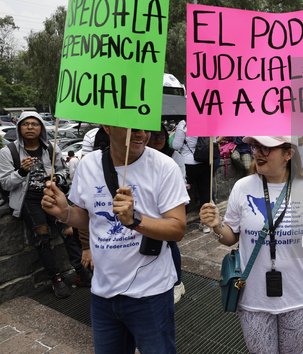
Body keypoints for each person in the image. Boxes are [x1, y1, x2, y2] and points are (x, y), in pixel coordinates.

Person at [41, 125, 190, 354]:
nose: (143, 134)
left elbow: (177, 228)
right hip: (103, 292)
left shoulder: (164, 166)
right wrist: (65, 213)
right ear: (108, 127)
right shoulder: (88, 164)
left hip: (150, 293)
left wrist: (134, 219)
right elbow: (88, 217)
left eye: (147, 128)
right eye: (134, 129)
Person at [200, 135, 303, 354]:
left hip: (300, 296)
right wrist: (217, 226)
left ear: (288, 154)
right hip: (254, 297)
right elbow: (230, 237)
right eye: (255, 146)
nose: (257, 153)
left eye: (266, 148)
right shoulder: (242, 187)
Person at [0, 112, 91, 299]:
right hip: (29, 200)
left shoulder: (51, 147)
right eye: (26, 124)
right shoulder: (8, 152)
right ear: (19, 128)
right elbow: (5, 183)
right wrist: (21, 171)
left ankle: (80, 271)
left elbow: (62, 171)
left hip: (51, 195)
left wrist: (56, 178)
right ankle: (56, 278)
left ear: (41, 127)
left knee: (68, 231)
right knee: (42, 237)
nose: (30, 127)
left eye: (35, 123)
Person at [147, 123, 187, 303]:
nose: (157, 139)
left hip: (170, 206)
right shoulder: (142, 157)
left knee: (170, 244)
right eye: (154, 135)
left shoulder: (174, 156)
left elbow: (179, 180)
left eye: (161, 135)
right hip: (149, 208)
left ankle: (177, 282)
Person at [172, 119, 214, 233]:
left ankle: (181, 223)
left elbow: (176, 145)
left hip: (188, 164)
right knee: (205, 193)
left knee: (184, 193)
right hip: (205, 162)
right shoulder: (207, 122)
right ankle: (205, 223)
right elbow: (213, 141)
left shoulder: (184, 124)